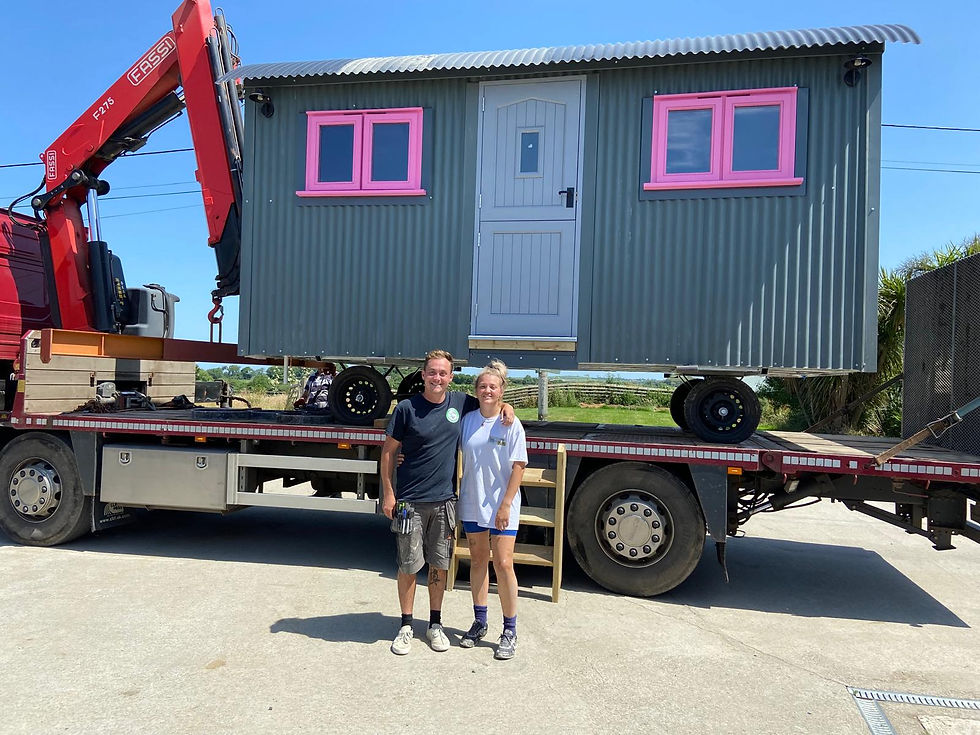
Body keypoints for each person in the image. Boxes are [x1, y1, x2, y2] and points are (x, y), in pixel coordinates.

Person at [380, 349, 513, 655]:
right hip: (409, 501)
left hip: (444, 502)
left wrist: (507, 406)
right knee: (409, 565)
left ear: (451, 377)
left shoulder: (460, 403)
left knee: (439, 566)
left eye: (443, 373)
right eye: (432, 372)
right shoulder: (406, 408)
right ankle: (406, 625)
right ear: (423, 375)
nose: (437, 378)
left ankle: (435, 624)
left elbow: (490, 400)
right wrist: (388, 493)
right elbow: (388, 452)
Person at [458, 360, 527, 660]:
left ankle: (509, 630)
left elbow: (519, 466)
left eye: (493, 387)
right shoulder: (467, 421)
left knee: (503, 564)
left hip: (502, 506)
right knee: (477, 562)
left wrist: (506, 504)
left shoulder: (511, 423)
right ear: (476, 390)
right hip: (473, 502)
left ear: (502, 391)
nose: (488, 391)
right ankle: (480, 621)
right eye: (483, 386)